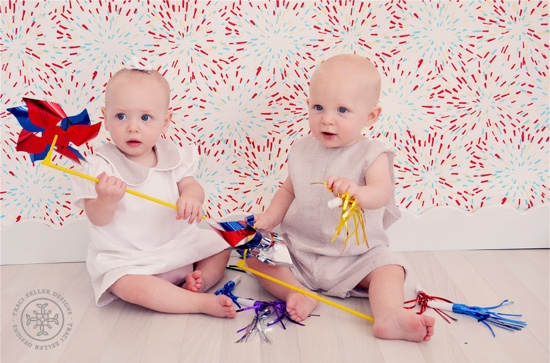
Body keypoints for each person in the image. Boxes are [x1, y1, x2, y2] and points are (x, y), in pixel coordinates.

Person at [250, 54, 435, 341]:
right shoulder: (301, 149)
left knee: (389, 268)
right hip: (299, 252)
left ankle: (389, 316)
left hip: (354, 258)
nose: (327, 119)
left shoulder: (371, 154)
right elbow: (288, 190)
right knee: (256, 257)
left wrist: (359, 192)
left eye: (342, 110)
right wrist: (270, 217)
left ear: (370, 116)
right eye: (319, 107)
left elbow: (381, 193)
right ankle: (296, 293)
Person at [72, 65, 236, 318]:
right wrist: (106, 199)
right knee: (128, 285)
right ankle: (197, 302)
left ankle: (199, 280)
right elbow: (98, 218)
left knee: (219, 246)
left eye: (145, 118)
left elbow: (190, 184)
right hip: (130, 260)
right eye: (121, 116)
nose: (132, 127)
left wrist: (192, 196)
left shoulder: (172, 157)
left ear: (165, 122)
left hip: (178, 247)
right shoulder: (100, 167)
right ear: (105, 118)